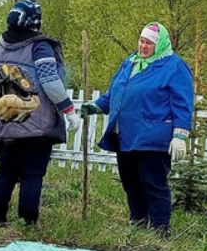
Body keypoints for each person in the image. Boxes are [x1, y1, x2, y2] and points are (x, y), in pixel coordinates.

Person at [80, 22, 194, 235]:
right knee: (131, 182)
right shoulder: (130, 62)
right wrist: (96, 106)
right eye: (141, 41)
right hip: (125, 135)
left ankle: (160, 230)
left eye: (148, 43)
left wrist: (180, 134)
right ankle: (138, 223)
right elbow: (116, 92)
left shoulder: (174, 67)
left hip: (153, 136)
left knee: (153, 183)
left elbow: (182, 102)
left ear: (158, 45)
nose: (143, 46)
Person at [0, 0, 82, 226]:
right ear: (35, 22)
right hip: (33, 123)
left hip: (2, 122)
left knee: (5, 172)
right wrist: (69, 110)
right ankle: (28, 222)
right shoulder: (40, 46)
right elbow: (50, 81)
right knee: (32, 174)